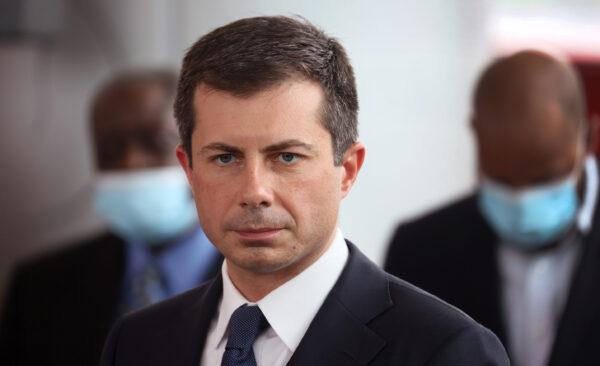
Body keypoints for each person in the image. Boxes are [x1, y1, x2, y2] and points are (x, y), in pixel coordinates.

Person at [100, 16, 509, 366]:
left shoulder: (446, 351)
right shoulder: (136, 343)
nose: (254, 191)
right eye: (225, 158)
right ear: (189, 170)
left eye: (287, 157)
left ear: (347, 170)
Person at [385, 50, 600, 366]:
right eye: (503, 179)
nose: (523, 201)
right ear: (476, 133)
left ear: (589, 137)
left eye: (544, 178)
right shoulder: (419, 252)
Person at [0, 70, 222, 366]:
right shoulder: (40, 288)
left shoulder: (264, 278)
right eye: (110, 148)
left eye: (155, 143)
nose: (129, 162)